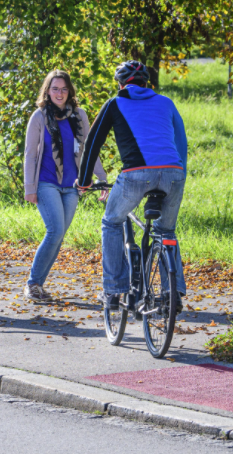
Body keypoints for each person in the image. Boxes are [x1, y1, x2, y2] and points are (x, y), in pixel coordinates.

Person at [76, 60, 187, 309]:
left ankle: (113, 290)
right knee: (166, 231)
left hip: (136, 174)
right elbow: (181, 144)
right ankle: (173, 294)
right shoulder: (166, 103)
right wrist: (179, 177)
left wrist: (84, 182)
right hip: (174, 173)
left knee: (112, 221)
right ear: (147, 83)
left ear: (120, 84)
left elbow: (92, 144)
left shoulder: (114, 103)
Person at [23, 70, 108, 302]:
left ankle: (38, 284)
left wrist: (101, 178)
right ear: (47, 91)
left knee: (58, 236)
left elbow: (90, 149)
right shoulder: (39, 116)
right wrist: (29, 187)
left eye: (63, 89)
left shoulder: (79, 115)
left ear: (69, 91)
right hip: (46, 183)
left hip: (72, 185)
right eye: (54, 89)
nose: (59, 93)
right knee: (55, 231)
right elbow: (30, 154)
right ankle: (32, 284)